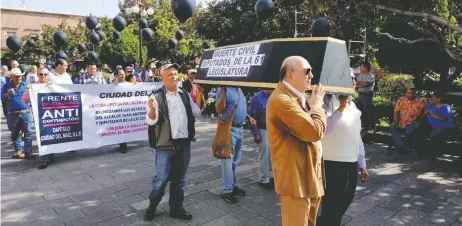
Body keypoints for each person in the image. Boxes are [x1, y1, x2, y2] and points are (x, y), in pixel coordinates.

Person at [266, 56, 326, 226]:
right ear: (290, 74)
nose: (311, 76)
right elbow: (314, 131)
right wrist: (317, 108)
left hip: (308, 177)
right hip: (295, 181)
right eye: (307, 71)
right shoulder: (281, 100)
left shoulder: (297, 97)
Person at [144, 63, 202, 222]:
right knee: (161, 179)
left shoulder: (184, 94)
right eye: (169, 74)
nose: (173, 77)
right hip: (165, 146)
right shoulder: (155, 96)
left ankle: (176, 209)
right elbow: (150, 121)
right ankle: (152, 206)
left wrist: (201, 95)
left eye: (175, 74)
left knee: (179, 180)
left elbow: (197, 112)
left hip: (183, 145)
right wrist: (152, 109)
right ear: (162, 77)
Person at [318, 94, 368, 226]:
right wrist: (340, 108)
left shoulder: (353, 104)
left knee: (347, 196)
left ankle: (325, 222)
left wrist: (362, 163)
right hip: (332, 161)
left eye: (354, 78)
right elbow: (322, 130)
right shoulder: (327, 101)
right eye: (350, 78)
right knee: (332, 201)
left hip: (350, 160)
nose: (353, 81)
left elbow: (356, 135)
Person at [215, 84, 248, 204]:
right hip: (229, 130)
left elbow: (238, 107)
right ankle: (227, 190)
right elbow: (218, 109)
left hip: (240, 128)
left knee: (235, 160)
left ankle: (232, 185)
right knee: (227, 160)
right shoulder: (223, 89)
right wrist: (223, 94)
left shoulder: (239, 89)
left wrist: (247, 116)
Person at [1, 68, 34, 159]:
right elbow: (3, 99)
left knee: (28, 132)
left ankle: (28, 152)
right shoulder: (6, 86)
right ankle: (18, 151)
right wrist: (7, 94)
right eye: (16, 76)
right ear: (11, 76)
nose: (18, 78)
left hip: (25, 112)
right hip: (13, 113)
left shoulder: (26, 85)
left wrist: (30, 90)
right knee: (15, 133)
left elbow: (33, 97)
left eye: (20, 76)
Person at [248, 89, 274, 189]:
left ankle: (274, 178)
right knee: (265, 155)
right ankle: (264, 179)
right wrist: (256, 133)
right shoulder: (257, 97)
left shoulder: (276, 95)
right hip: (263, 129)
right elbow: (251, 116)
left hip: (275, 130)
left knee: (275, 157)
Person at [390, 88, 427, 152]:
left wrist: (421, 117)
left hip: (414, 122)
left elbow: (426, 111)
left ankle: (407, 147)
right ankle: (401, 145)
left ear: (415, 94)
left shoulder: (421, 101)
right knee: (392, 127)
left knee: (409, 130)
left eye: (411, 93)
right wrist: (395, 121)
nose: (409, 95)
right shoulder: (401, 99)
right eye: (407, 93)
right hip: (402, 122)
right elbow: (396, 111)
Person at [113, 69, 130, 153]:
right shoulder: (113, 85)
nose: (123, 76)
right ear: (116, 76)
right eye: (121, 74)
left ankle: (124, 145)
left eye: (124, 74)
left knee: (125, 126)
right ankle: (121, 144)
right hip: (117, 110)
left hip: (127, 109)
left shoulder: (129, 85)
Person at [355, 62, 375, 131]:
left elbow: (366, 84)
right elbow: (356, 85)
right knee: (360, 110)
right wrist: (361, 84)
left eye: (361, 67)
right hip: (360, 94)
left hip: (367, 95)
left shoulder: (371, 75)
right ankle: (362, 125)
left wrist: (361, 84)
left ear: (366, 68)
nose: (360, 68)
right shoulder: (360, 76)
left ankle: (369, 127)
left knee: (367, 110)